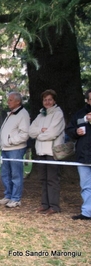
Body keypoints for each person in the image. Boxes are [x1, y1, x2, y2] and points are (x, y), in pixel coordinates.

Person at [29, 89, 65, 215]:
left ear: (54, 100)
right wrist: (40, 130)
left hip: (52, 152)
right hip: (41, 151)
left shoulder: (58, 113)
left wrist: (39, 135)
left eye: (49, 99)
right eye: (45, 100)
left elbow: (53, 133)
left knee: (52, 179)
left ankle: (54, 206)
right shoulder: (40, 115)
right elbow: (31, 131)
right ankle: (45, 204)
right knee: (43, 179)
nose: (47, 102)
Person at [0, 92, 30, 208]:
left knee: (16, 174)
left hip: (16, 149)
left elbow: (25, 134)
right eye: (8, 100)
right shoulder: (10, 114)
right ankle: (8, 195)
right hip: (5, 148)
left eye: (11, 100)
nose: (8, 102)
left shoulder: (23, 114)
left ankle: (16, 198)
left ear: (18, 102)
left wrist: (10, 141)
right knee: (5, 174)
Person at [66, 88, 91, 220]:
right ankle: (87, 212)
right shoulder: (80, 114)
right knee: (86, 185)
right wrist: (77, 132)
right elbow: (69, 129)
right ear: (87, 100)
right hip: (84, 156)